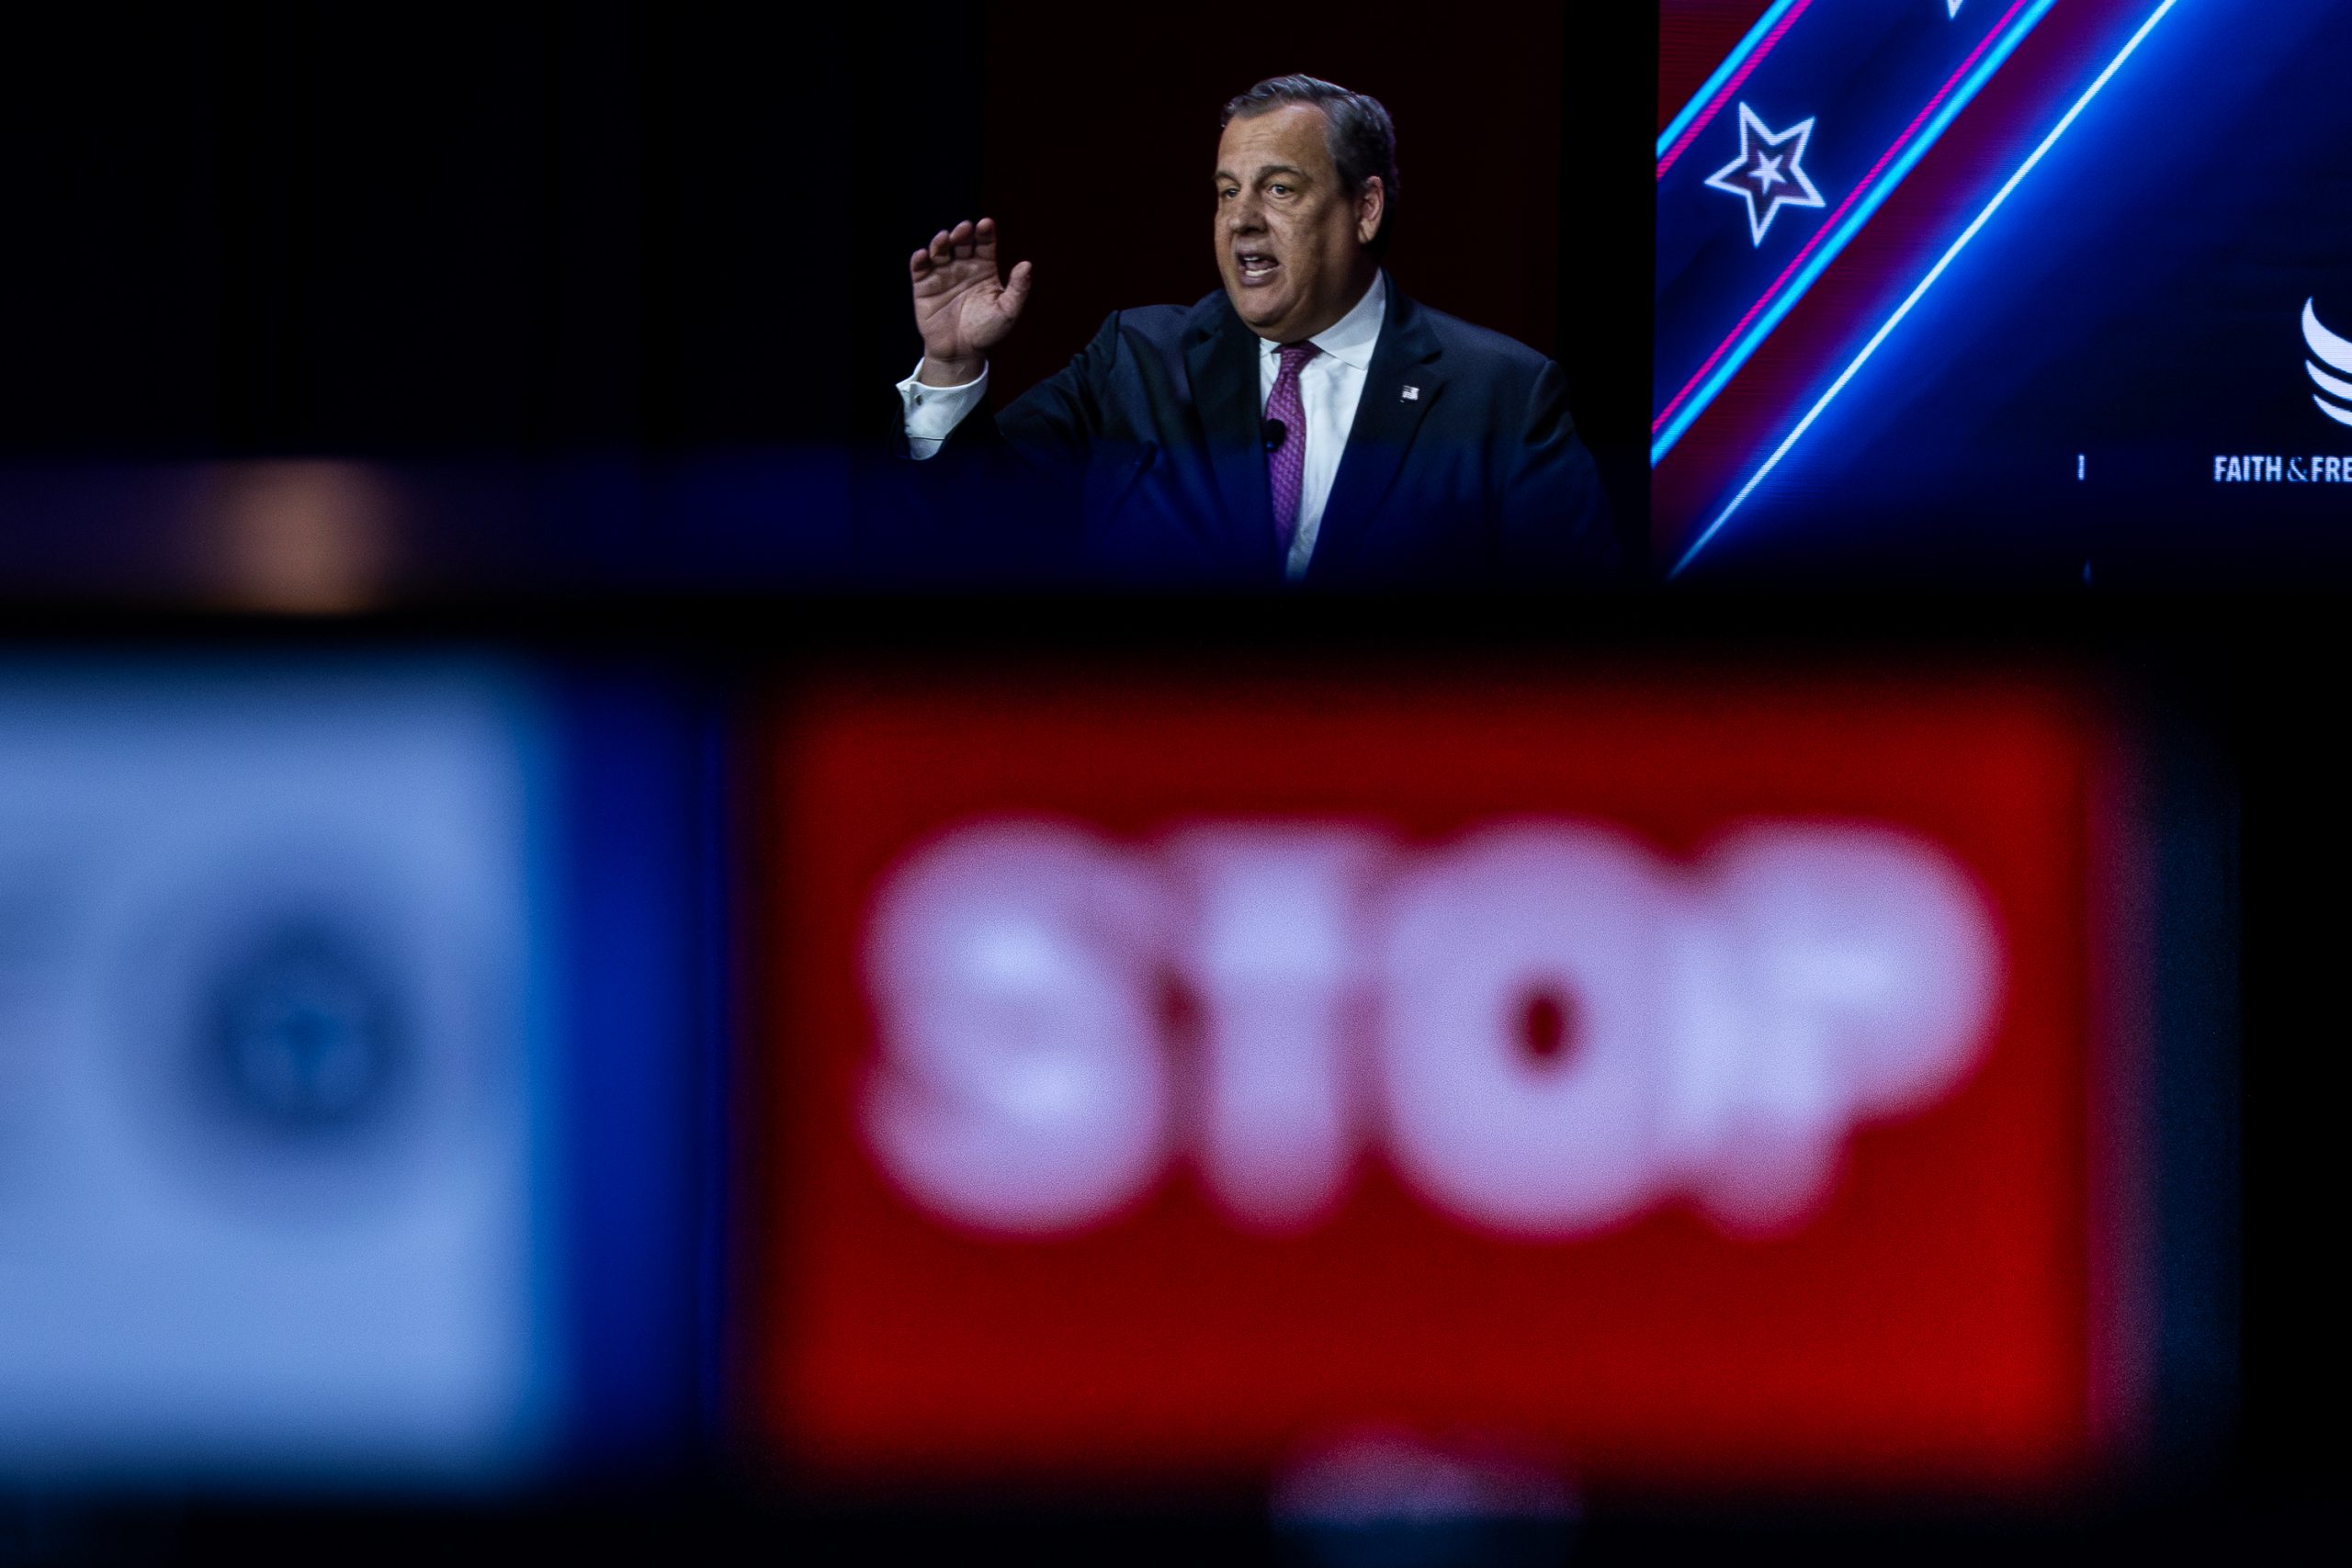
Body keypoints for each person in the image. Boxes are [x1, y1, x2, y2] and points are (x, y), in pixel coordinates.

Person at [888, 74, 1618, 587]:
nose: (1240, 219)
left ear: (1365, 208)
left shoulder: (1501, 393)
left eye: (1279, 189)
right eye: (1227, 192)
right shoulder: (1135, 361)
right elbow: (974, 524)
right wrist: (951, 365)